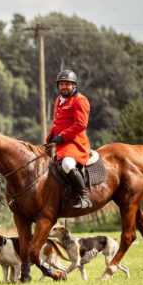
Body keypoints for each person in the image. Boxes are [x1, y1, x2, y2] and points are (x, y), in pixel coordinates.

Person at [46, 69, 93, 209]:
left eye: (67, 84)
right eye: (61, 84)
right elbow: (57, 123)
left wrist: (62, 137)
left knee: (67, 164)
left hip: (76, 143)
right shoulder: (59, 101)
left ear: (74, 86)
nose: (64, 86)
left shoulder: (80, 100)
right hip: (61, 143)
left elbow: (81, 124)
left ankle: (84, 196)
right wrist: (49, 139)